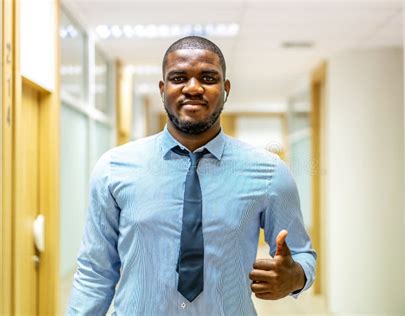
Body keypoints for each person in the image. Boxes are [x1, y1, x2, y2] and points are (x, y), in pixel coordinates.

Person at [68, 36, 316, 315]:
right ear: (163, 89)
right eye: (179, 77)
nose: (194, 87)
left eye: (208, 78)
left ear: (226, 89)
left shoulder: (270, 172)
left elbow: (303, 255)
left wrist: (295, 277)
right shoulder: (113, 169)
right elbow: (95, 272)